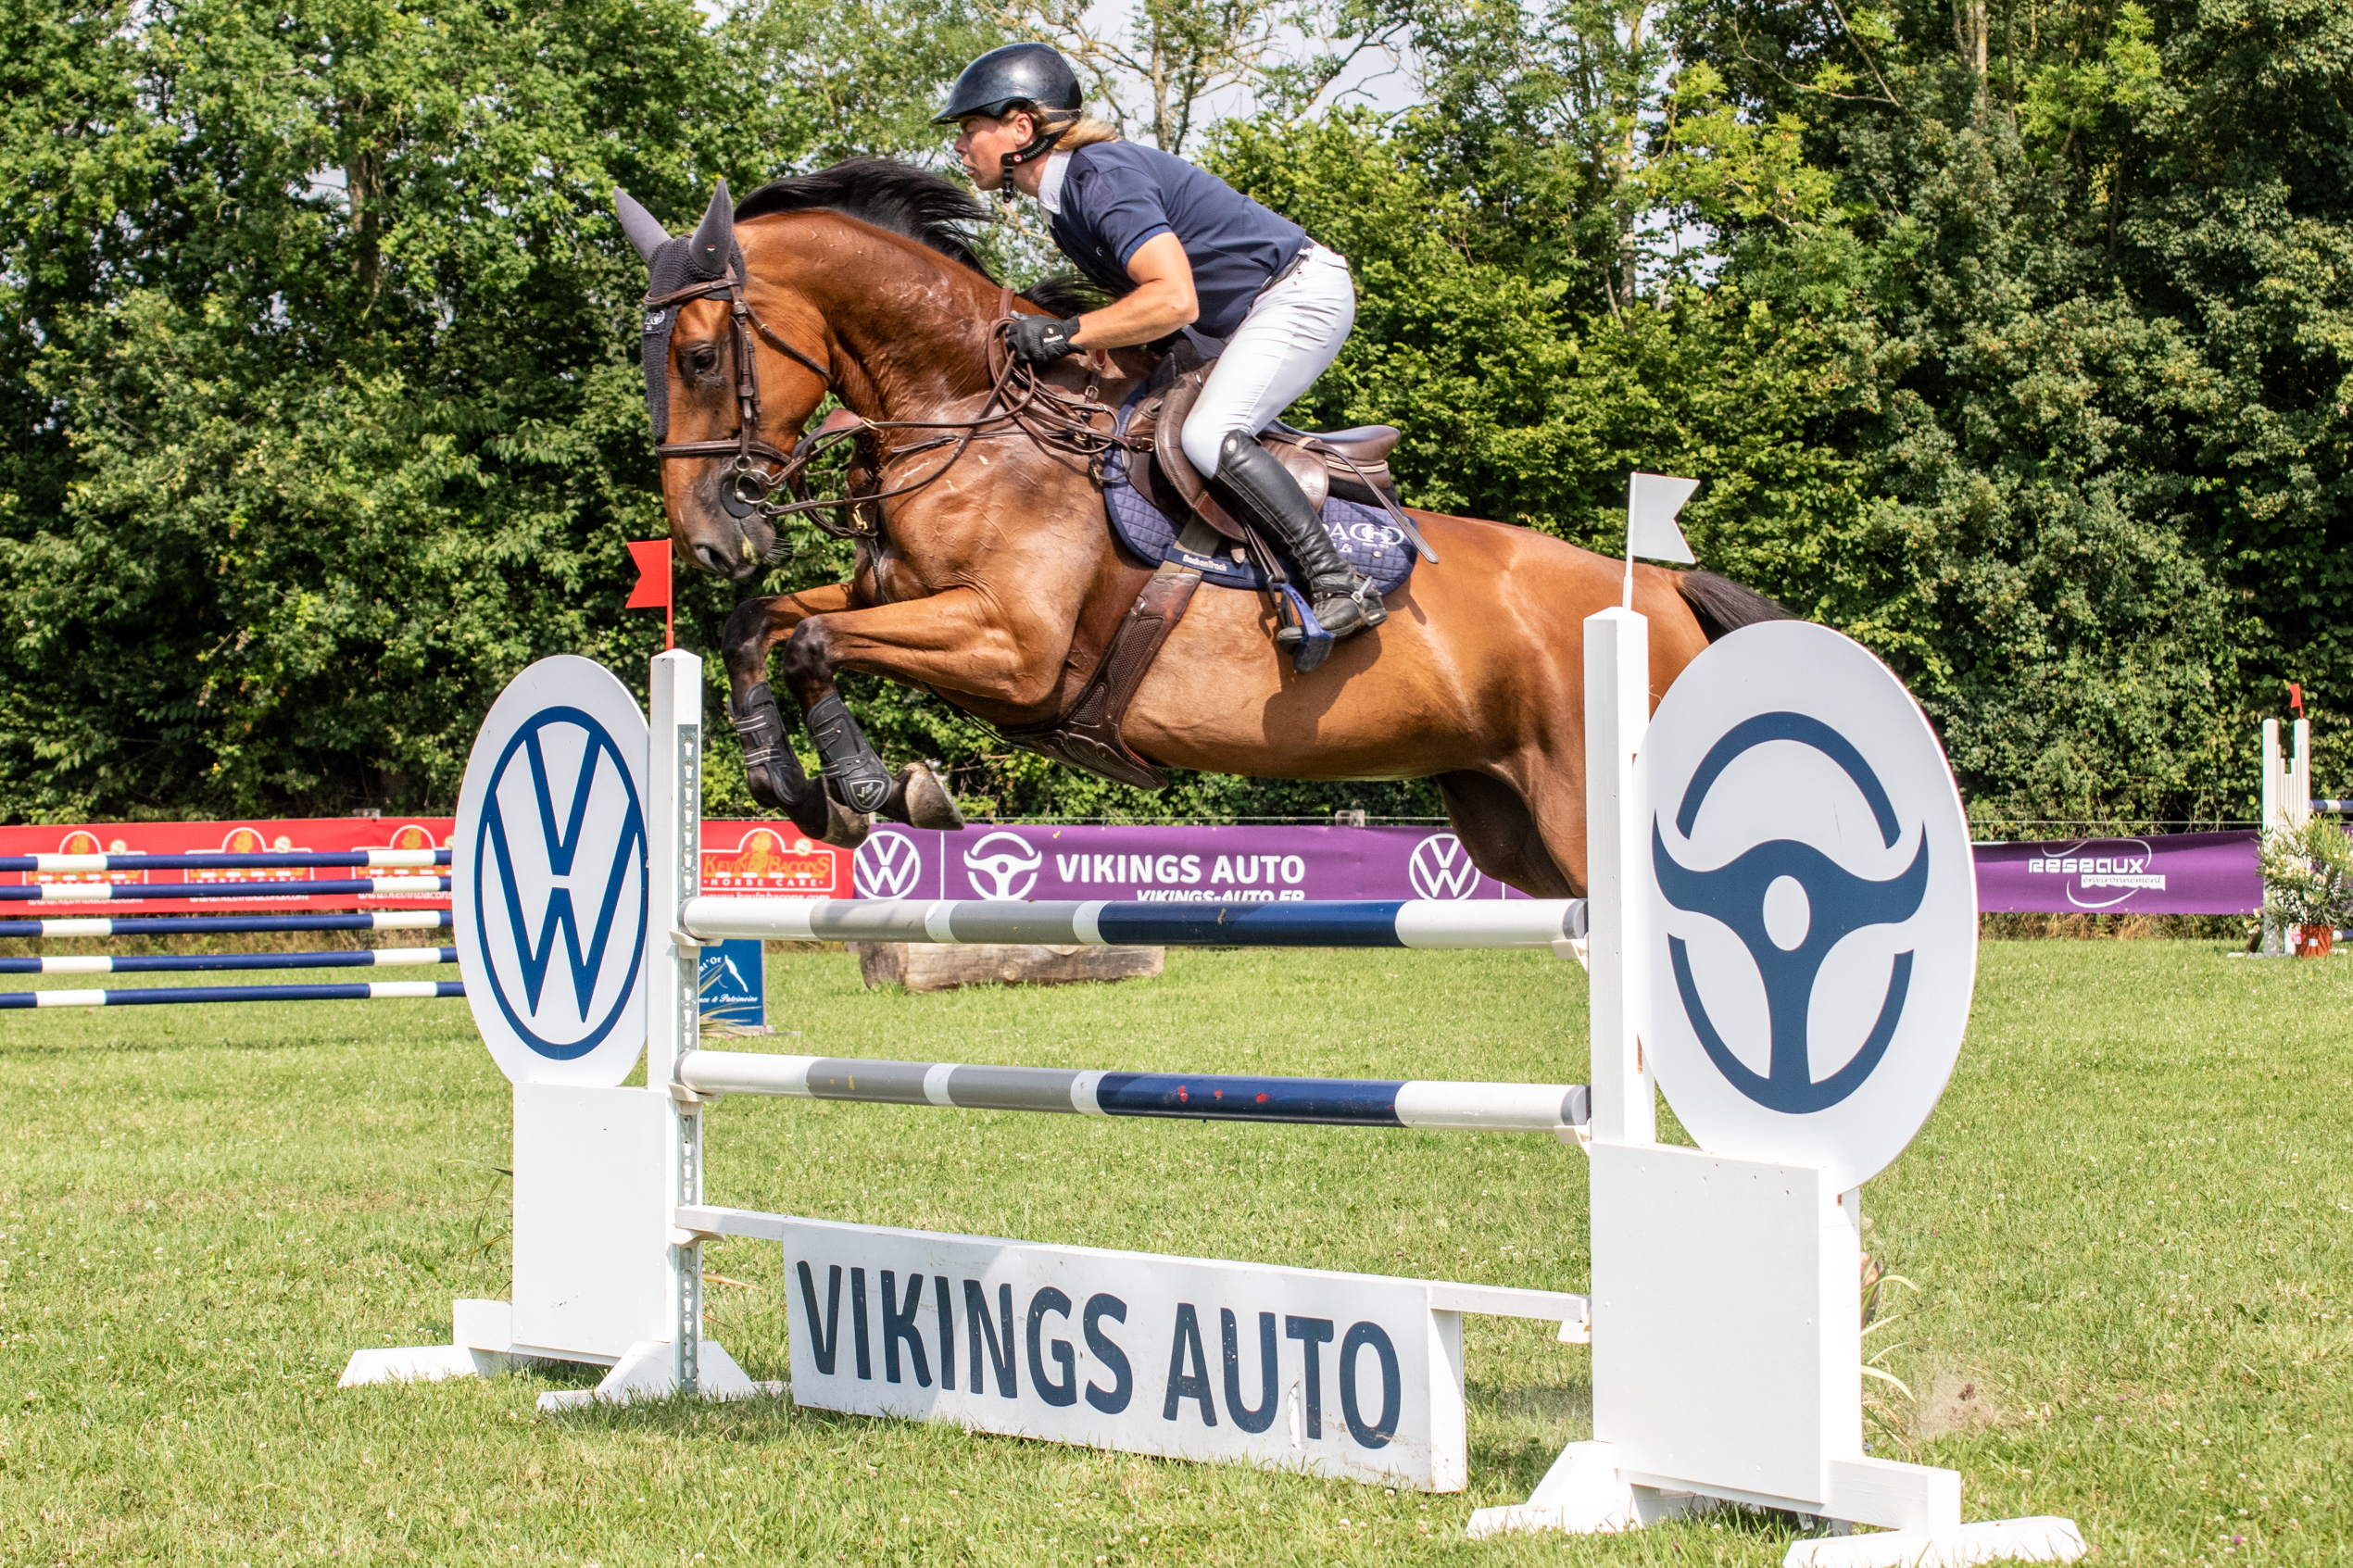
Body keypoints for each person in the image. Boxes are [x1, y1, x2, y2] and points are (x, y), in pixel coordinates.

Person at [936, 43, 1383, 668]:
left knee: (1208, 434)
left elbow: (1172, 299)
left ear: (1020, 128)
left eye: (968, 128)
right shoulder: (1066, 204)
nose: (960, 146)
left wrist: (1065, 334)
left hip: (1295, 293)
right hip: (1241, 315)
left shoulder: (1098, 178)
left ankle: (1339, 583)